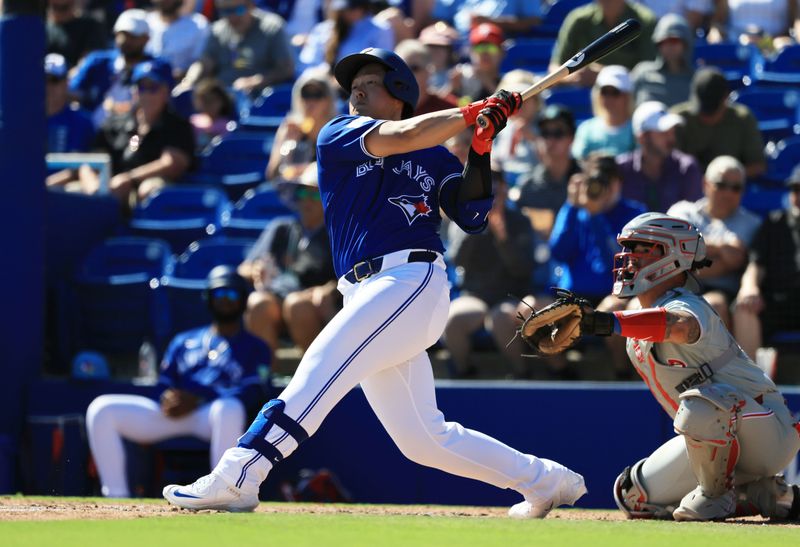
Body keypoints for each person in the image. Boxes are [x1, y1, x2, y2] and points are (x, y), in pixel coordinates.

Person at [163, 47, 586, 518]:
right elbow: (402, 133)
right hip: (365, 291)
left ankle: (239, 475)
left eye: (369, 83)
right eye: (353, 86)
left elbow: (472, 214)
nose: (356, 92)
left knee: (316, 373)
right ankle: (546, 481)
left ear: (400, 91)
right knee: (425, 440)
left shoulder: (434, 152)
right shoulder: (338, 134)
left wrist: (481, 147)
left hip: (411, 280)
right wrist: (471, 112)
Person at [572, 212, 800, 521]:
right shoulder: (635, 335)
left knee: (702, 403)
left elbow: (678, 325)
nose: (629, 257)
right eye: (628, 247)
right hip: (719, 434)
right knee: (632, 496)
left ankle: (716, 497)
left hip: (768, 431)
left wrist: (603, 321)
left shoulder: (689, 304)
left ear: (673, 255)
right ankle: (769, 496)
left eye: (642, 247)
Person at [85, 266, 272, 498]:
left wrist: (201, 398)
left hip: (211, 416)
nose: (225, 300)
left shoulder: (256, 347)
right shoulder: (184, 341)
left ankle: (223, 491)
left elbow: (254, 391)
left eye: (232, 294)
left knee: (230, 408)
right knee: (102, 409)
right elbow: (163, 383)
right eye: (219, 294)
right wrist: (168, 398)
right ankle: (115, 496)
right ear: (208, 298)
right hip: (173, 414)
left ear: (243, 301)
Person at [50, 59, 195, 205]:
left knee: (151, 189)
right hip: (109, 190)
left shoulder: (177, 125)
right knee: (71, 192)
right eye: (141, 87)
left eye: (153, 87)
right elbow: (92, 161)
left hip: (139, 190)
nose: (146, 94)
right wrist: (95, 188)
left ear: (166, 91)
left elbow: (173, 164)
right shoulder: (115, 123)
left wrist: (130, 179)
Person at [240, 163, 339, 354]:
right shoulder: (281, 228)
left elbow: (347, 276)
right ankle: (265, 376)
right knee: (258, 302)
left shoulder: (336, 235)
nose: (307, 201)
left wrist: (327, 289)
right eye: (303, 194)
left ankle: (315, 377)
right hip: (278, 297)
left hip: (314, 306)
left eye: (314, 194)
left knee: (297, 305)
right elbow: (244, 268)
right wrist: (254, 271)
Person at [443, 175, 535, 379]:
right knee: (452, 321)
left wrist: (502, 237)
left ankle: (522, 374)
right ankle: (463, 373)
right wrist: (476, 225)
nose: (492, 198)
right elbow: (457, 260)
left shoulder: (520, 220)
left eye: (496, 191)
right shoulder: (464, 219)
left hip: (511, 295)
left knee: (501, 319)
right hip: (476, 295)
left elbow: (523, 268)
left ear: (504, 191)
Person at [667, 155, 761, 327]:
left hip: (721, 292)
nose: (728, 193)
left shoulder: (752, 223)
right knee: (634, 309)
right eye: (721, 184)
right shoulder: (682, 211)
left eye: (736, 187)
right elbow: (673, 251)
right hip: (673, 288)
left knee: (710, 307)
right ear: (705, 184)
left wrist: (689, 259)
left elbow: (734, 262)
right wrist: (720, 248)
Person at [733, 165, 800, 359]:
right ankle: (750, 384)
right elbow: (756, 263)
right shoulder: (774, 222)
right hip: (779, 301)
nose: (798, 196)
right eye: (795, 190)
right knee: (744, 307)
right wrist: (749, 287)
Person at [180, 0, 294, 96]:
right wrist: (188, 82)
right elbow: (204, 64)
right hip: (223, 102)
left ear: (251, 5)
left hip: (260, 100)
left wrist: (255, 81)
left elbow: (286, 69)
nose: (232, 17)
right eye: (226, 11)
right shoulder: (217, 31)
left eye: (239, 10)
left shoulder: (272, 28)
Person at [671, 67, 766, 178]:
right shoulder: (677, 120)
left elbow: (758, 165)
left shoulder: (743, 119)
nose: (706, 117)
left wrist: (725, 178)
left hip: (726, 188)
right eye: (703, 110)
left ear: (725, 98)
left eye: (712, 110)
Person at [68, 9, 153, 128]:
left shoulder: (155, 68)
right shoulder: (97, 61)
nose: (126, 40)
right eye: (123, 34)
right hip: (93, 131)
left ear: (146, 39)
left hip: (133, 134)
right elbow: (72, 91)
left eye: (134, 36)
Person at [617, 101, 702, 212]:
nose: (671, 138)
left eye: (672, 131)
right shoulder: (620, 169)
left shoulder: (687, 168)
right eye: (663, 132)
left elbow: (695, 219)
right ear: (642, 137)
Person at [549, 0, 657, 88]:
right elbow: (555, 68)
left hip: (626, 95)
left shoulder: (644, 21)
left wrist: (603, 75)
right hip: (583, 92)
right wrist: (574, 77)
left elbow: (650, 74)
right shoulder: (578, 20)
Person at [511, 104, 581, 236]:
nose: (551, 140)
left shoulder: (584, 182)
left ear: (572, 138)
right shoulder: (527, 185)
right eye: (545, 133)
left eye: (558, 133)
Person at [265, 68, 339, 182]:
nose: (310, 101)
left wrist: (310, 170)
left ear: (328, 99)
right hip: (294, 193)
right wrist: (286, 146)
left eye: (317, 95)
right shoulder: (290, 126)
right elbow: (272, 175)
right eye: (306, 94)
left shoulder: (337, 129)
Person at [297, 0, 394, 73]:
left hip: (358, 91)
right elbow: (306, 66)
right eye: (348, 8)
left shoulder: (380, 30)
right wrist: (324, 73)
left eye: (357, 7)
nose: (353, 12)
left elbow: (381, 69)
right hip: (323, 90)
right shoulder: (322, 29)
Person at [630, 14, 696, 108]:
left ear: (686, 43)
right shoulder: (642, 73)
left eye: (673, 40)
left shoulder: (696, 79)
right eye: (663, 42)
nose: (668, 46)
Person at [571, 65, 636, 161]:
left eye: (615, 92)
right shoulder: (586, 129)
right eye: (604, 92)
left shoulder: (637, 131)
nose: (609, 98)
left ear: (627, 96)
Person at [489, 70, 541, 185]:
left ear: (536, 101)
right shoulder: (499, 128)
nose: (520, 104)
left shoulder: (548, 127)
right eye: (513, 100)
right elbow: (495, 159)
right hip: (503, 186)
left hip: (534, 187)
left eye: (526, 98)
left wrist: (535, 140)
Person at [44, 53, 95, 155]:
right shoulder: (25, 119)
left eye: (54, 80)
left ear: (66, 83)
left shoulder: (81, 121)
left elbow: (79, 165)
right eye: (43, 79)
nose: (48, 86)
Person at [145, 0, 210, 79]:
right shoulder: (145, 22)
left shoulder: (199, 25)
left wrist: (185, 77)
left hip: (182, 85)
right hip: (146, 84)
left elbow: (201, 61)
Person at [395, 39, 458, 116]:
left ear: (429, 71)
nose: (407, 73)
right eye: (403, 67)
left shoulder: (449, 109)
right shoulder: (385, 107)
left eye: (414, 68)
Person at [447, 22, 505, 104]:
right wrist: (451, 89)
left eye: (491, 48)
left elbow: (510, 109)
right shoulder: (460, 78)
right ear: (471, 52)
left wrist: (488, 83)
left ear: (502, 52)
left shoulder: (509, 81)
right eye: (479, 48)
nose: (485, 53)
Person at [709, 0, 800, 51]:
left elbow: (796, 20)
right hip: (737, 51)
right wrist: (716, 39)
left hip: (775, 49)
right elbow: (717, 22)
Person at [47, 0, 108, 69]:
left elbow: (90, 60)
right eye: (56, 6)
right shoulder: (41, 28)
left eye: (64, 7)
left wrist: (71, 76)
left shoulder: (90, 26)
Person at [427, 0, 544, 36]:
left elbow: (534, 21)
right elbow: (438, 20)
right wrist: (446, 31)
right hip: (456, 48)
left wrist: (491, 23)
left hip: (499, 47)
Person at [190, 78, 237, 151]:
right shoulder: (192, 121)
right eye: (205, 100)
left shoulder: (227, 125)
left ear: (222, 101)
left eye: (212, 100)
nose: (208, 104)